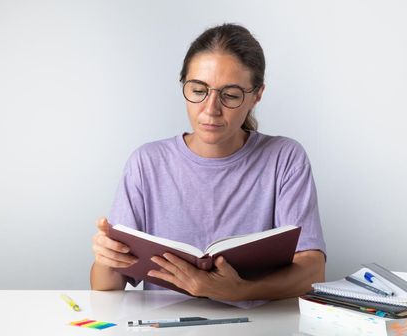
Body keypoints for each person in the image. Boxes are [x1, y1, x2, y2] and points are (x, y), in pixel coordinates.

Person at [90, 23, 326, 302]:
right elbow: (106, 287)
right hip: (165, 332)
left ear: (256, 95)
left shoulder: (284, 158)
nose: (211, 109)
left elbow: (312, 270)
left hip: (257, 334)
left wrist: (240, 291)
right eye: (199, 90)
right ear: (184, 85)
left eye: (230, 95)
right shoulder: (147, 163)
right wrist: (107, 257)